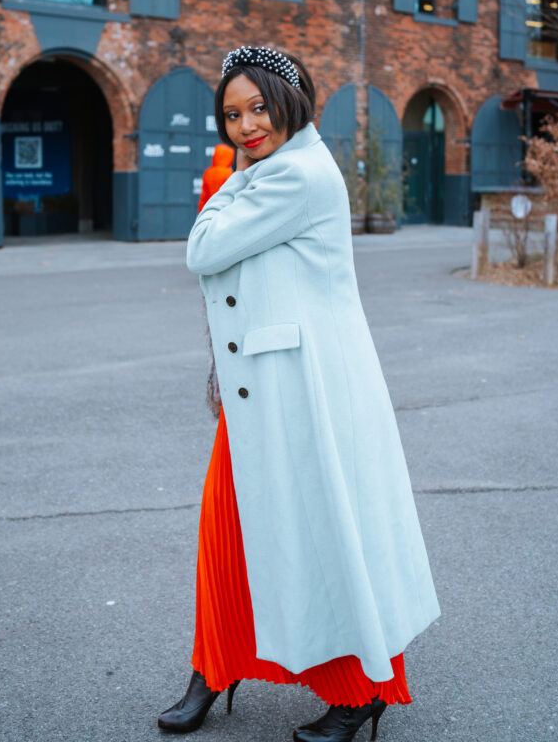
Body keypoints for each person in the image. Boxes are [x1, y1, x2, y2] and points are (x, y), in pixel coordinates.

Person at [158, 46, 440, 742]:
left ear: (290, 101)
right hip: (261, 393)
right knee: (227, 535)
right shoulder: (273, 171)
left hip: (302, 397)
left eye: (257, 107)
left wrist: (227, 175)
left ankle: (358, 691)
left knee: (323, 537)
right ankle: (214, 664)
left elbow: (202, 248)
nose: (245, 126)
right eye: (231, 115)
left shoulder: (298, 175)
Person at [197, 143, 235, 212]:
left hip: (208, 208)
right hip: (223, 209)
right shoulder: (228, 173)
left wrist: (201, 211)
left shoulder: (208, 172)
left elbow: (204, 196)